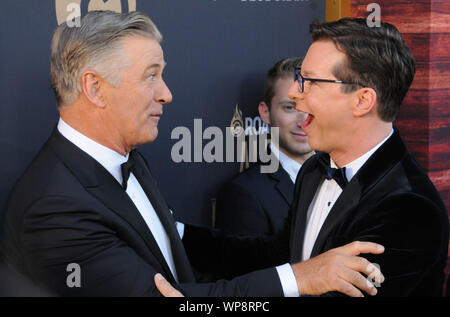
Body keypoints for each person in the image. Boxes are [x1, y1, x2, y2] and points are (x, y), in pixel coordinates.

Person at [1, 11, 384, 297]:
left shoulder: (126, 159)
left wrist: (297, 251)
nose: (166, 93)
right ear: (95, 89)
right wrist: (301, 278)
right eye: (151, 75)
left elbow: (172, 243)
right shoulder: (54, 206)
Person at [156, 17, 449, 297]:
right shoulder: (314, 171)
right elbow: (275, 257)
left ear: (362, 101)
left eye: (310, 81)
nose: (296, 93)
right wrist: (172, 232)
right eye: (300, 78)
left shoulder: (409, 208)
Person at [215, 57, 314, 236]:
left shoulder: (344, 178)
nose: (303, 121)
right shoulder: (244, 194)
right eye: (290, 107)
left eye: (310, 107)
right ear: (266, 113)